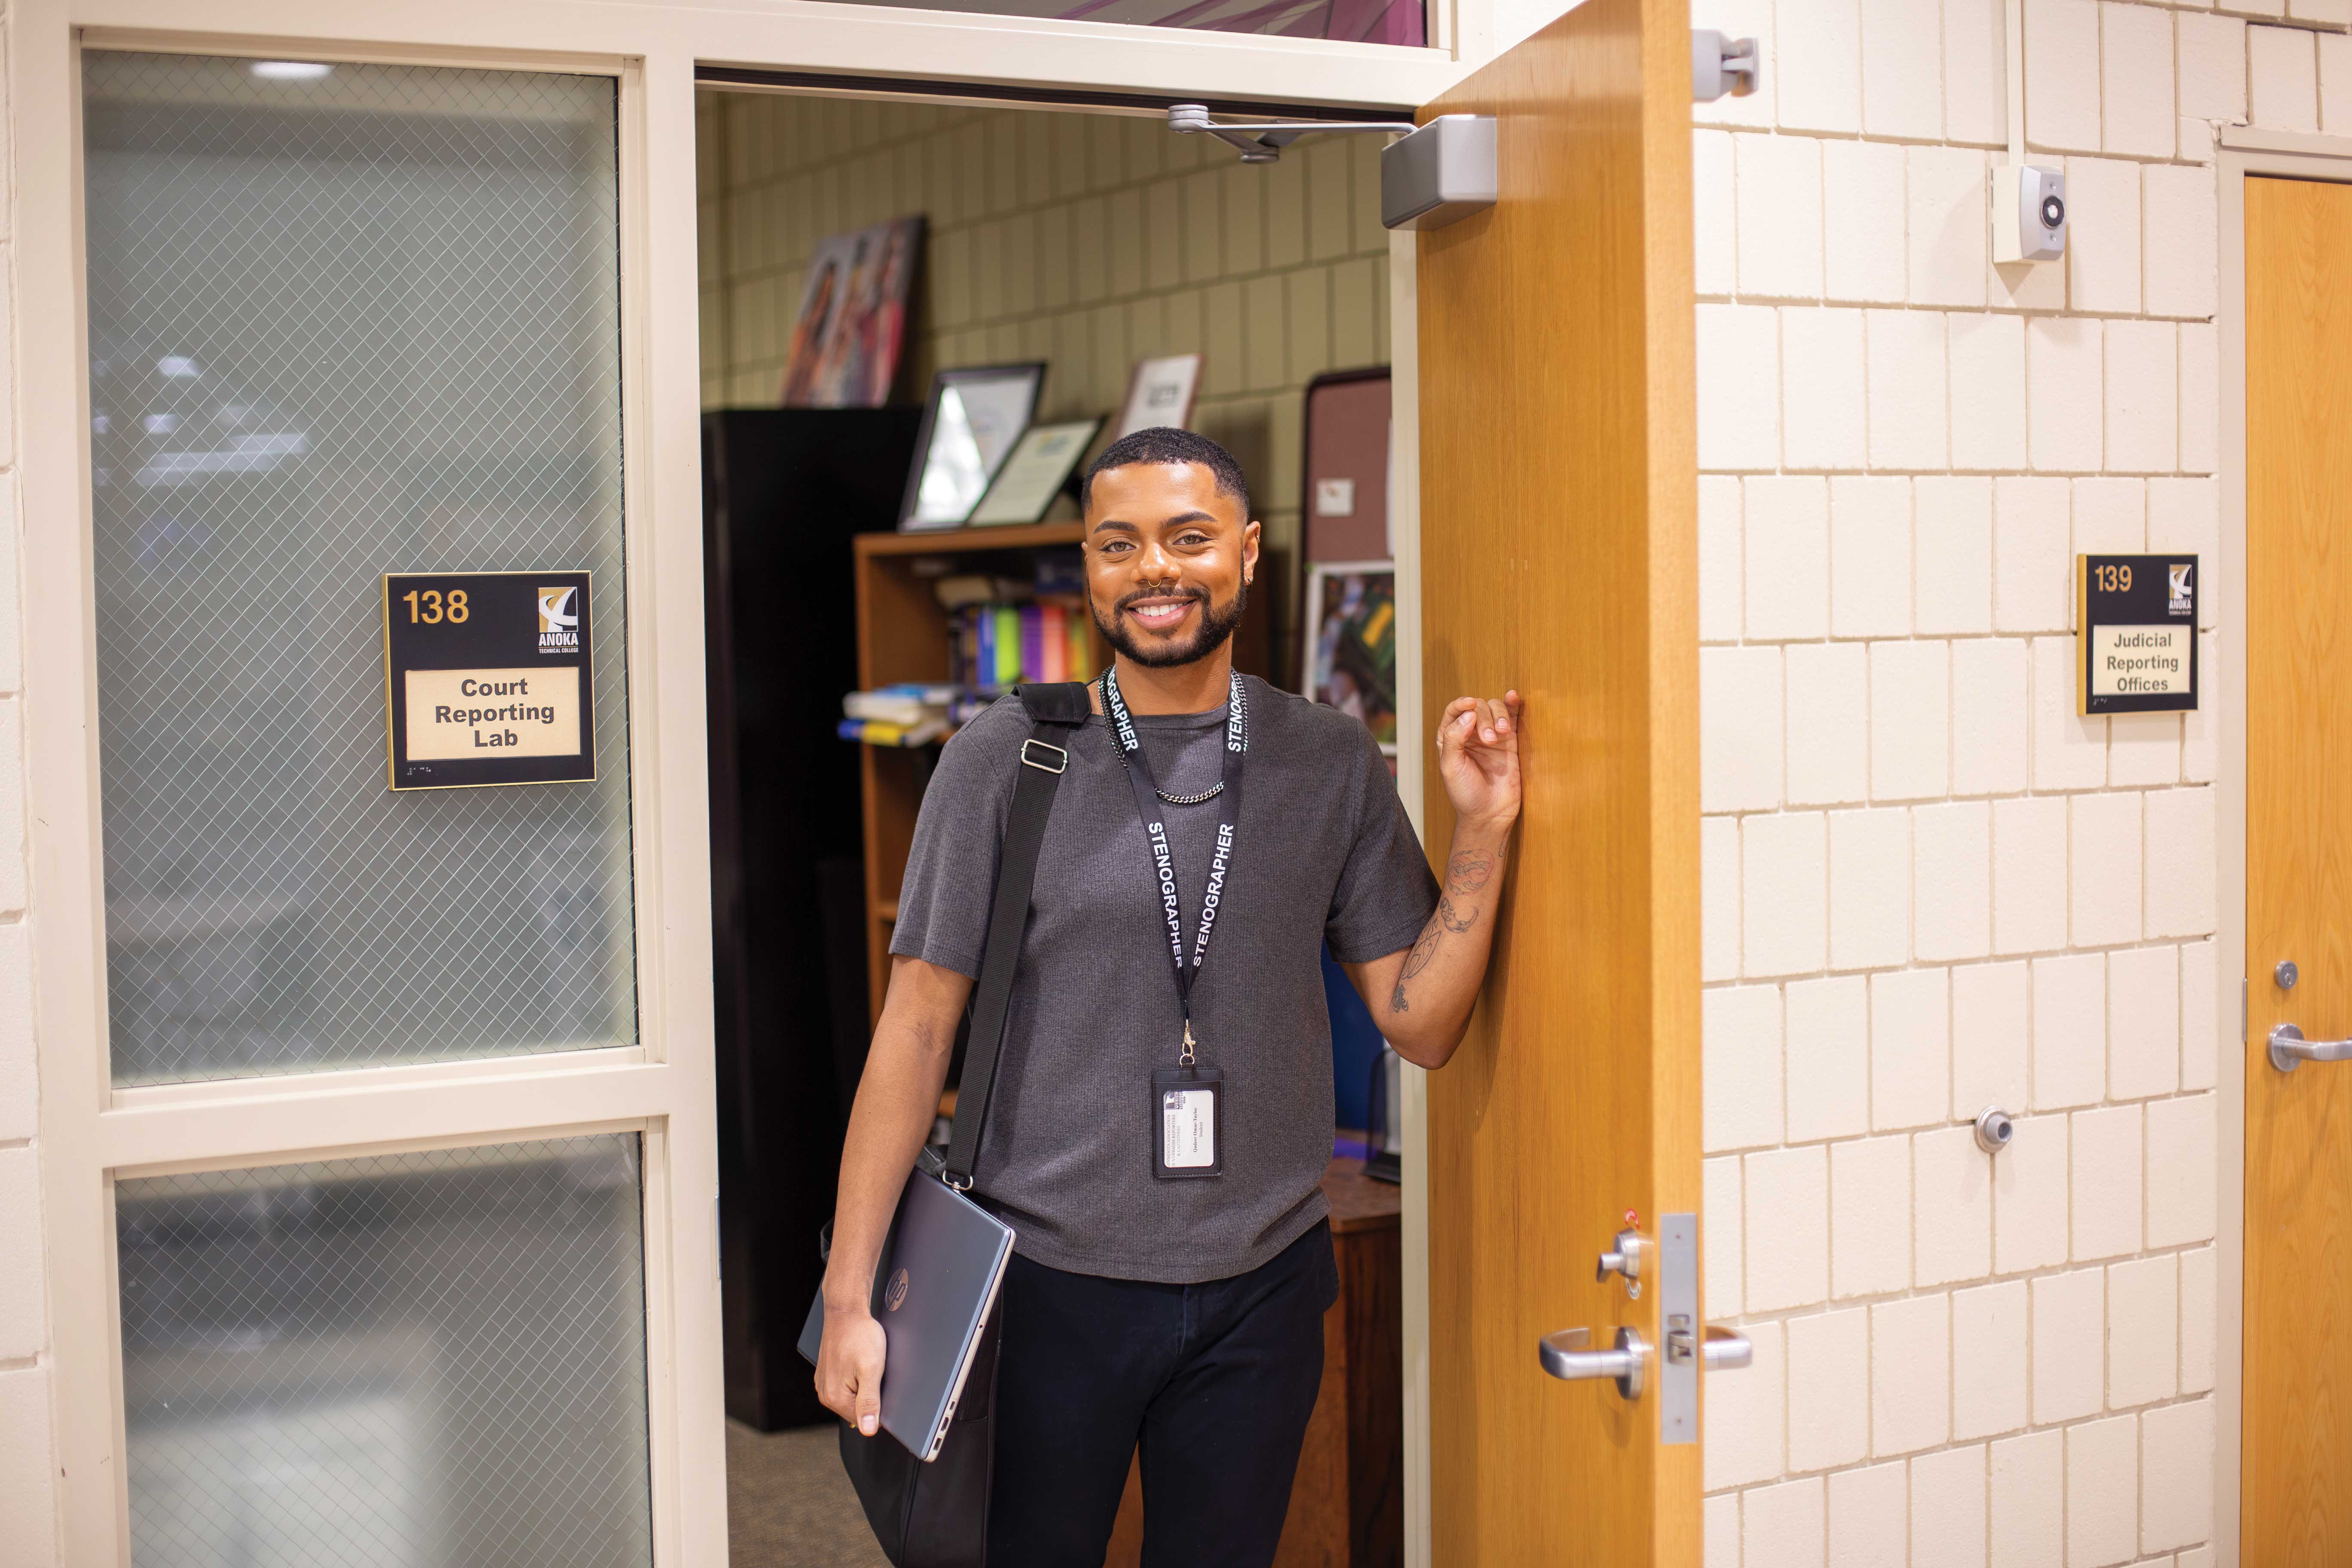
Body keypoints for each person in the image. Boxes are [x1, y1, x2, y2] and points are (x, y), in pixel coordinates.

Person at [816, 426, 1523, 1565]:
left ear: (1244, 554)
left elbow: (1423, 1022)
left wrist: (1484, 829)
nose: (1156, 570)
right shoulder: (1005, 759)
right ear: (1089, 568)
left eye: (1188, 539)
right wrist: (853, 1296)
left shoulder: (1327, 760)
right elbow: (914, 1030)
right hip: (1044, 1289)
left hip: (1263, 1291)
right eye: (1120, 543)